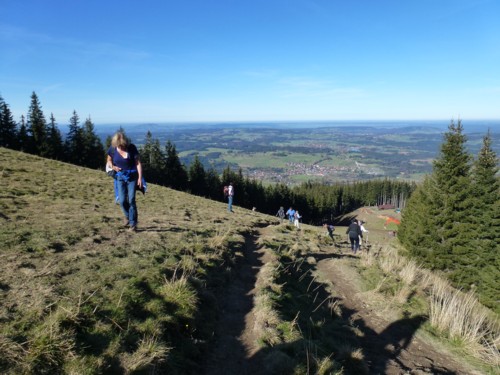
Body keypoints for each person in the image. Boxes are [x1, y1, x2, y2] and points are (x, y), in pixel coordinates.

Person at [106, 131, 143, 232]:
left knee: (131, 200)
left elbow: (138, 163)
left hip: (132, 177)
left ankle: (133, 224)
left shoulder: (131, 148)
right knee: (122, 201)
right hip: (120, 177)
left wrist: (140, 178)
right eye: (119, 145)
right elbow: (108, 160)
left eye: (122, 145)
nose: (121, 147)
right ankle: (128, 216)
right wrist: (113, 166)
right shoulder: (113, 149)